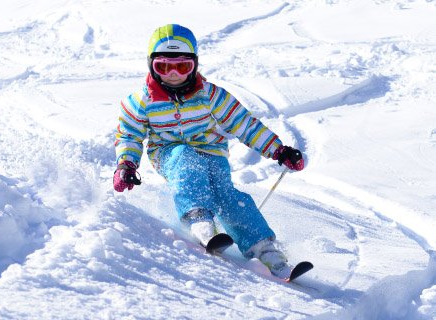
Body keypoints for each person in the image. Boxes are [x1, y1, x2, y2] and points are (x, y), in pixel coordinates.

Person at [113, 24, 304, 279]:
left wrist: (278, 151)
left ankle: (264, 248)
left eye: (182, 67)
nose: (172, 74)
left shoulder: (211, 95)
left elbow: (243, 123)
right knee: (185, 159)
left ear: (194, 64)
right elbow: (129, 134)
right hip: (169, 153)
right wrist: (126, 164)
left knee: (227, 195)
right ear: (151, 65)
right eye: (163, 66)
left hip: (212, 153)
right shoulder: (140, 102)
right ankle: (199, 221)